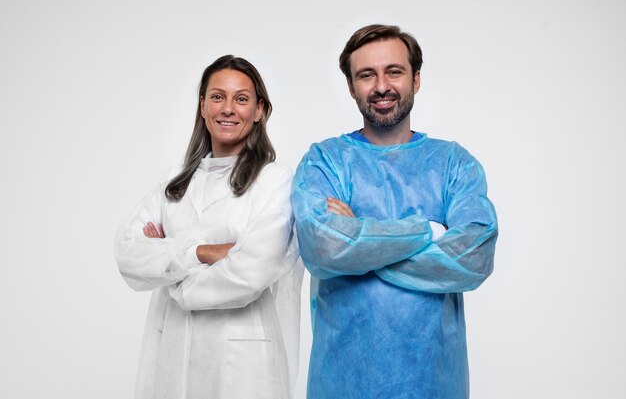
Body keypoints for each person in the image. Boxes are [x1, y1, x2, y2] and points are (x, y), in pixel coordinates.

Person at [291, 24, 498, 399]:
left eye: (394, 71)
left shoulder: (453, 163)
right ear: (351, 87)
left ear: (416, 80)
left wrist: (360, 238)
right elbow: (324, 248)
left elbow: (473, 256)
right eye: (366, 75)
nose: (381, 86)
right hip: (342, 381)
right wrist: (430, 233)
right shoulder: (324, 161)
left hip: (434, 381)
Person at [114, 55, 303, 399]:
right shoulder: (174, 182)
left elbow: (253, 271)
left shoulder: (274, 181)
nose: (228, 108)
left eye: (241, 99)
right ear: (202, 106)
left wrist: (170, 266)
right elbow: (128, 253)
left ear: (259, 110)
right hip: (172, 352)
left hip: (243, 364)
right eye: (217, 97)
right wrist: (202, 252)